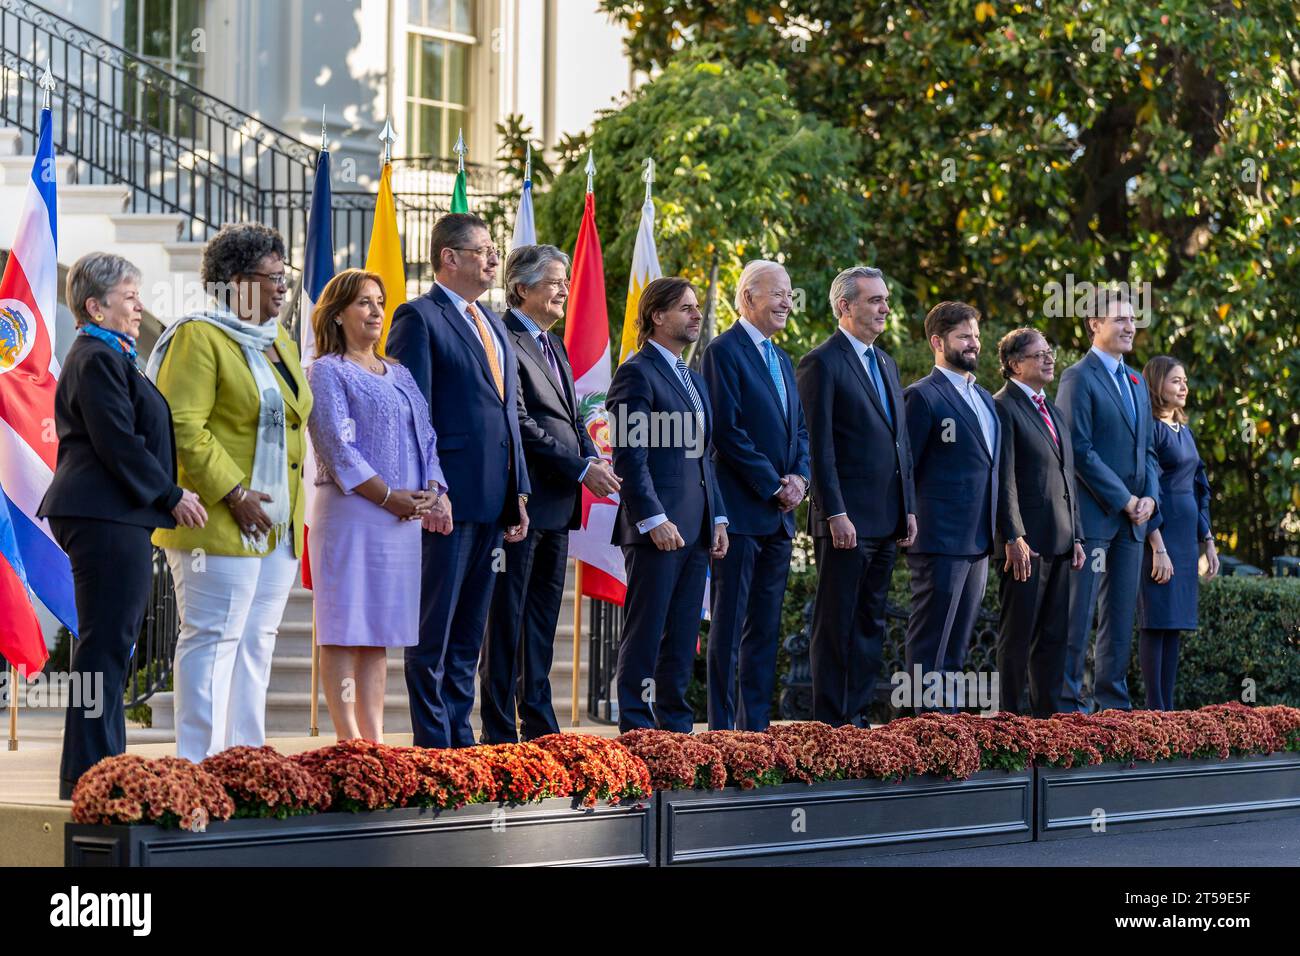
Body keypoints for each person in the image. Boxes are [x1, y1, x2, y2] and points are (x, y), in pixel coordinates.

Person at [38, 253, 206, 798]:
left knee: (109, 645)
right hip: (101, 513)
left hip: (110, 514)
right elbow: (118, 442)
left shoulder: (111, 355)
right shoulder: (96, 358)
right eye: (129, 297)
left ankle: (99, 766)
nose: (138, 307)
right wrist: (170, 493)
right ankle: (92, 772)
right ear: (96, 305)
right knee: (104, 645)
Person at [148, 222, 312, 762]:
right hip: (216, 522)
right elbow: (182, 427)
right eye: (272, 277)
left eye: (283, 276)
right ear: (236, 282)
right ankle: (198, 764)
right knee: (213, 639)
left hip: (277, 524)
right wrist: (235, 492)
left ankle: (245, 763)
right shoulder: (198, 336)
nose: (282, 288)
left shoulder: (277, 339)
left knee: (255, 644)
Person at [386, 213, 531, 748]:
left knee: (470, 633)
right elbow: (412, 411)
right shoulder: (418, 318)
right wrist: (433, 491)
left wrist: (518, 492)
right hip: (446, 500)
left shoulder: (494, 323)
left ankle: (459, 739)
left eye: (494, 250)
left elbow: (509, 412)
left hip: (494, 500)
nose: (494, 259)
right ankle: (433, 744)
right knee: (435, 633)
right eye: (483, 250)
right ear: (449, 257)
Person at [479, 245, 620, 743]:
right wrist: (581, 466)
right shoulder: (502, 336)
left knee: (540, 620)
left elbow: (572, 417)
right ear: (522, 288)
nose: (564, 291)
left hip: (559, 506)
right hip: (520, 501)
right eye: (555, 282)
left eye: (565, 282)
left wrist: (591, 458)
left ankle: (539, 722)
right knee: (506, 620)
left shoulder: (552, 343)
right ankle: (497, 729)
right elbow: (518, 422)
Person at [305, 269, 449, 741]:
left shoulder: (401, 373)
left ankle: (376, 739)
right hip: (354, 512)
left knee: (380, 631)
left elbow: (427, 436)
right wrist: (387, 496)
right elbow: (334, 444)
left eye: (379, 302)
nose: (375, 311)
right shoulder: (327, 370)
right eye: (363, 302)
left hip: (402, 519)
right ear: (338, 313)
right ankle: (349, 741)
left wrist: (433, 489)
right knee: (346, 625)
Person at [795, 266, 916, 727]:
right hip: (844, 522)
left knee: (870, 623)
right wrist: (834, 512)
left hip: (886, 519)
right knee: (836, 623)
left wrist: (908, 507)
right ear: (845, 306)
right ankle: (831, 722)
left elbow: (898, 443)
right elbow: (818, 445)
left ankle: (858, 715)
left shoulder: (885, 362)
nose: (885, 307)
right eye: (874, 300)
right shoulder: (821, 362)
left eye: (885, 299)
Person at [608, 276, 728, 733]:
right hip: (656, 528)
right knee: (646, 633)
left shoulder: (693, 378)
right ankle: (637, 728)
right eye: (686, 308)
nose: (697, 315)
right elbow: (629, 456)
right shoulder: (636, 372)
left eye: (697, 307)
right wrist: (651, 518)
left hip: (696, 529)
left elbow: (705, 457)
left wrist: (717, 516)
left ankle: (676, 730)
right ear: (657, 316)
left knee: (681, 637)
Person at [700, 260, 810, 731]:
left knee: (765, 629)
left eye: (789, 293)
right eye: (778, 294)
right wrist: (772, 484)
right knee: (729, 627)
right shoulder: (723, 351)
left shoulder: (783, 358)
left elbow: (799, 431)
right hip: (743, 512)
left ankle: (757, 730)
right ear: (748, 298)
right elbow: (727, 430)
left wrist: (800, 480)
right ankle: (724, 731)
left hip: (780, 519)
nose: (788, 302)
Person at [1056, 291, 1160, 713]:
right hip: (1095, 518)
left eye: (1133, 319)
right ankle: (1067, 707)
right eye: (1119, 318)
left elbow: (1148, 452)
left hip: (1134, 522)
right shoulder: (1076, 377)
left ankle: (1113, 708)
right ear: (1094, 324)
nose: (1130, 326)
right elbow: (1078, 450)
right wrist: (1124, 499)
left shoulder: (1136, 381)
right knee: (1078, 616)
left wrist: (1150, 498)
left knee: (1119, 620)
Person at [902, 301, 1000, 712]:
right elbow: (906, 469)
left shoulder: (985, 398)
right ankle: (921, 730)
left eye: (976, 335)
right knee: (930, 644)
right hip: (938, 538)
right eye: (964, 336)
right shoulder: (922, 397)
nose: (973, 343)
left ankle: (951, 729)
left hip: (979, 539)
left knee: (957, 645)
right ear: (938, 342)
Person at [991, 329, 1086, 716]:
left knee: (1052, 639)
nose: (1049, 359)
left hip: (1061, 543)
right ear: (1015, 364)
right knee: (1017, 638)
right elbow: (1004, 479)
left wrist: (1077, 535)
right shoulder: (1003, 406)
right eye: (1039, 354)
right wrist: (1013, 535)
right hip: (1025, 547)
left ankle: (1048, 726)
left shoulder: (1054, 411)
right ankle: (1009, 723)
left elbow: (1068, 477)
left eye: (1050, 351)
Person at [1136, 355, 1218, 711]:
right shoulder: (1149, 429)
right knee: (1156, 622)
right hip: (1161, 537)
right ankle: (1155, 710)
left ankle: (1169, 712)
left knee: (1175, 624)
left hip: (1186, 539)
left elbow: (1200, 487)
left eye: (1185, 381)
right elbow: (1145, 486)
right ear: (1157, 385)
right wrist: (1157, 546)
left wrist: (1209, 541)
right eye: (1175, 381)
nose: (1183, 387)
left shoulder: (1184, 430)